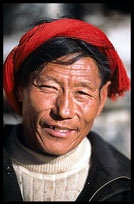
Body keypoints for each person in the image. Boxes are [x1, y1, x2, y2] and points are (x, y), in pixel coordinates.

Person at [3, 18, 131, 202]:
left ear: (102, 98)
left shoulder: (124, 187)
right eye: (48, 87)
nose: (64, 111)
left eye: (82, 92)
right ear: (20, 89)